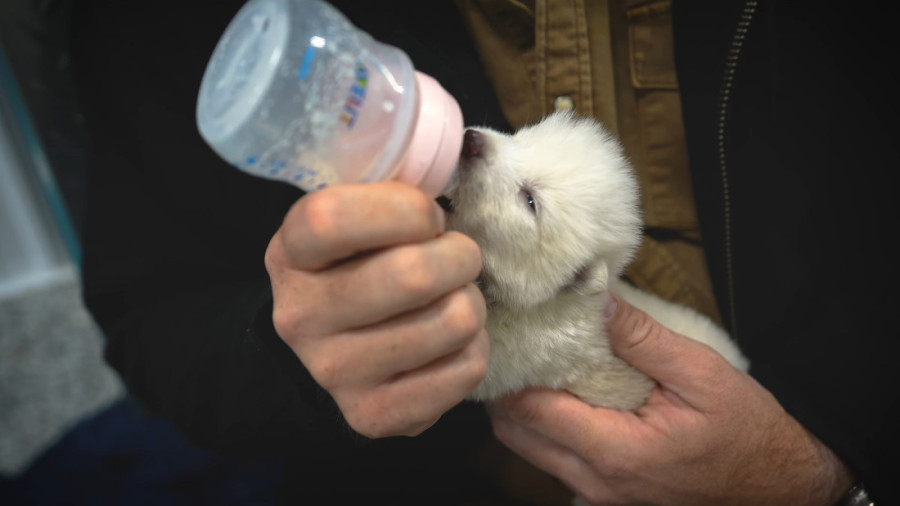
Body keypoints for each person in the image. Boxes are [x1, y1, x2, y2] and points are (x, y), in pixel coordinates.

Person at [70, 0, 898, 504]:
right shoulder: (153, 26)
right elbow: (154, 317)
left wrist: (829, 477)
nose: (480, 143)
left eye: (530, 197)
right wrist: (295, 358)